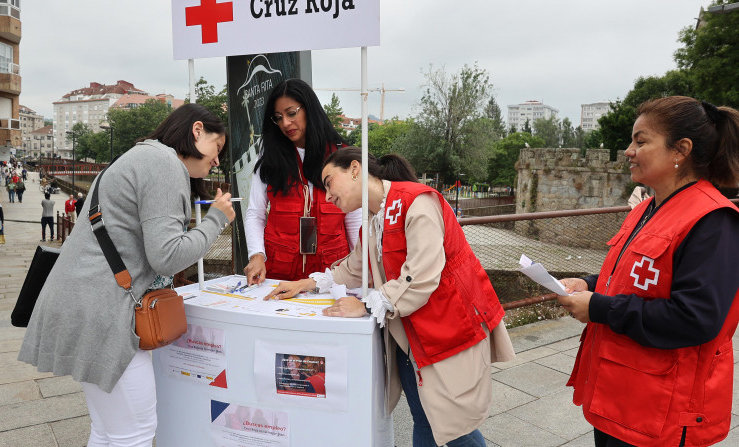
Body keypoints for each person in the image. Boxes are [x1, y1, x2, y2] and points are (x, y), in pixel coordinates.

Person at [18, 103, 236, 447]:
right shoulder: (164, 163)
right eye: (217, 148)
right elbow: (166, 257)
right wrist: (216, 220)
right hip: (105, 313)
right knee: (133, 433)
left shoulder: (139, 157)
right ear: (196, 131)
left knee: (108, 431)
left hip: (85, 303)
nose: (217, 161)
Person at [267, 146, 515, 447]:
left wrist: (367, 304)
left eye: (329, 182)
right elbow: (356, 267)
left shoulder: (416, 202)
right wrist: (306, 284)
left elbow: (422, 274)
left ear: (355, 169)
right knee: (426, 417)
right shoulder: (372, 219)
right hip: (413, 336)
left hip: (448, 328)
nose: (327, 196)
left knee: (453, 425)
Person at [558, 96, 739, 447]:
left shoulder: (712, 221)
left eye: (641, 141)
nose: (628, 150)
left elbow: (696, 318)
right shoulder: (647, 208)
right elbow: (639, 278)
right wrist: (589, 284)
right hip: (620, 395)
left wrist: (598, 307)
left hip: (662, 410)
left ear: (680, 150)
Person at [243, 79, 361, 285]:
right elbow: (255, 212)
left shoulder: (341, 154)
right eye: (278, 118)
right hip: (278, 273)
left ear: (309, 109)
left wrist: (360, 268)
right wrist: (256, 254)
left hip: (331, 274)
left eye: (291, 113)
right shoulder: (268, 156)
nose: (285, 123)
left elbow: (354, 216)